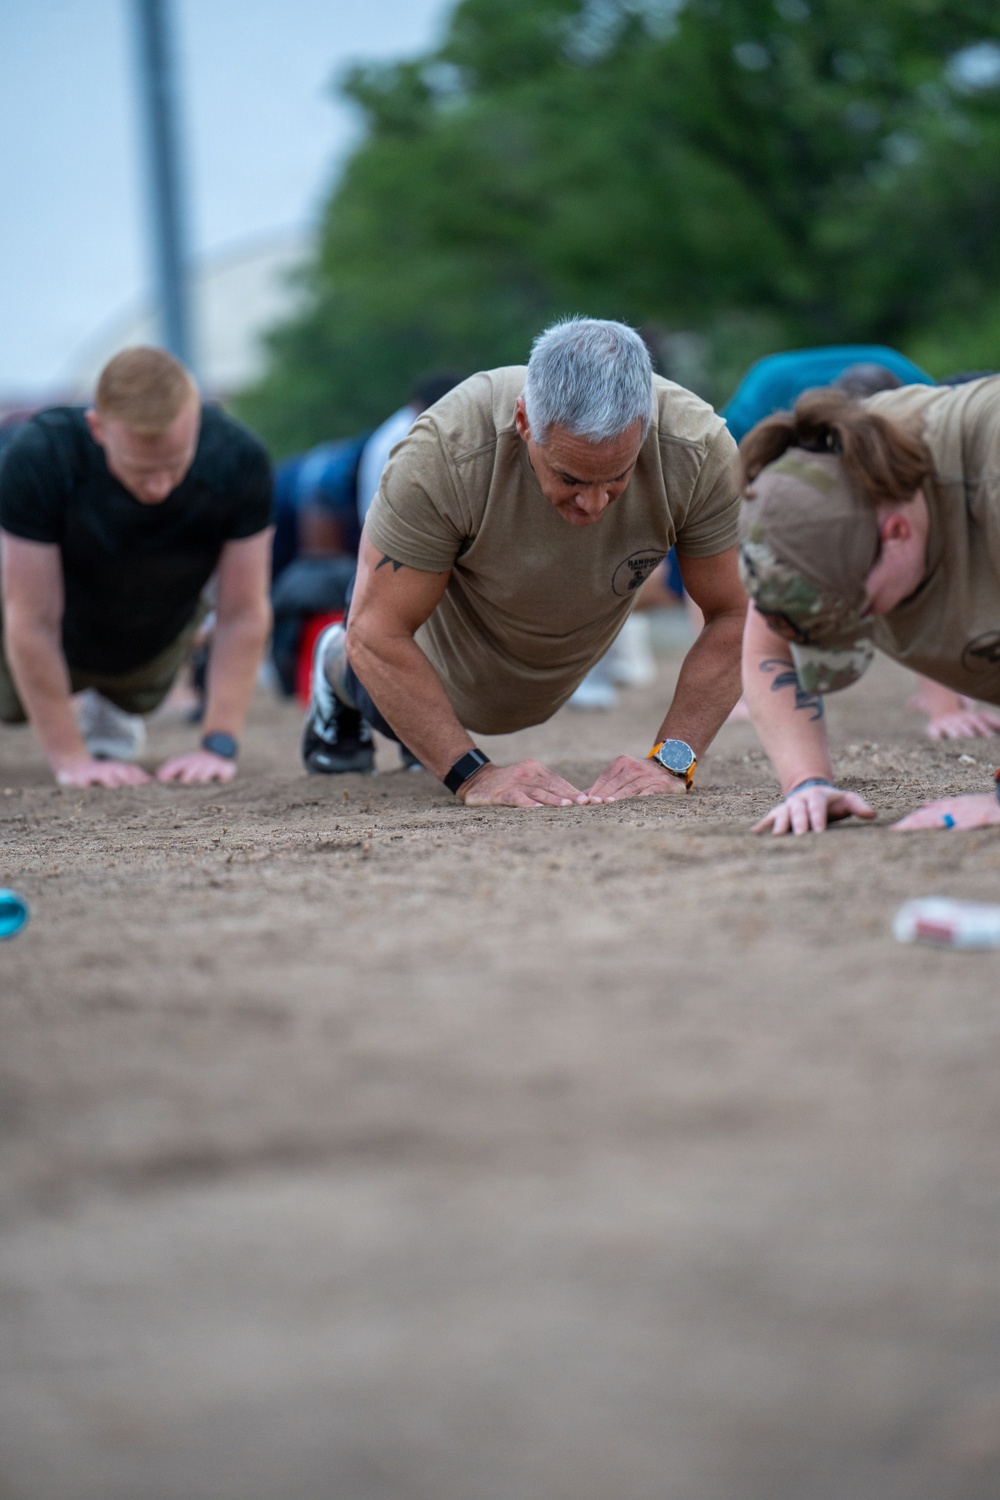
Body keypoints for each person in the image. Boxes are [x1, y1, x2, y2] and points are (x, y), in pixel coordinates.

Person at [301, 317, 747, 808]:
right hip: (447, 649)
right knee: (390, 695)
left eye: (616, 477)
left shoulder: (698, 449)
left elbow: (736, 612)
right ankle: (333, 664)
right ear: (524, 422)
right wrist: (472, 774)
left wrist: (671, 760)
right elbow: (378, 631)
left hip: (559, 652)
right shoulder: (445, 450)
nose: (594, 504)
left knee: (440, 720)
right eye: (570, 477)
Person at [736, 377, 1000, 835]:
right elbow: (768, 647)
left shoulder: (987, 471)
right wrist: (807, 783)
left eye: (861, 609)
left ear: (896, 533)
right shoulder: (809, 506)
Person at [0, 346, 272, 787]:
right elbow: (31, 620)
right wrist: (72, 758)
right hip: (46, 631)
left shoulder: (239, 460)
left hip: (148, 638)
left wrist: (218, 744)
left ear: (197, 425)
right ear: (98, 429)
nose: (160, 487)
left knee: (137, 695)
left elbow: (243, 612)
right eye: (141, 470)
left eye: (173, 465)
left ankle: (110, 705)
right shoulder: (40, 455)